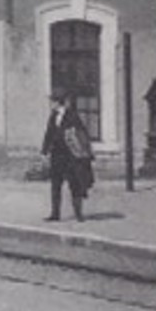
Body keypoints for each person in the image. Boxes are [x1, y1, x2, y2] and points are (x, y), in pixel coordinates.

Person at [41, 93, 93, 222]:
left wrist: (82, 151)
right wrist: (44, 151)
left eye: (52, 101)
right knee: (55, 184)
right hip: (56, 155)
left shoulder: (72, 115)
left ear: (58, 102)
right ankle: (55, 214)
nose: (51, 104)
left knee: (74, 184)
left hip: (71, 156)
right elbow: (49, 134)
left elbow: (81, 133)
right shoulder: (53, 116)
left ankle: (78, 214)